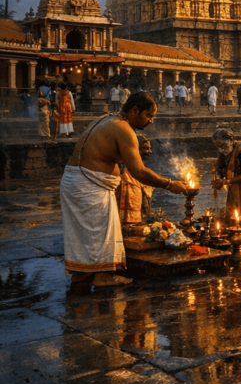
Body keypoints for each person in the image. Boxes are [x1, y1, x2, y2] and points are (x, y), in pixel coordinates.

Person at [60, 91, 187, 287]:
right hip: (88, 185)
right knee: (99, 233)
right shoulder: (124, 129)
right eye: (148, 115)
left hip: (77, 182)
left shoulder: (108, 118)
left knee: (85, 234)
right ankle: (102, 276)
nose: (151, 121)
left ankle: (82, 274)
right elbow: (138, 171)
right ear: (135, 110)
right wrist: (169, 184)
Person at [116, 134, 154, 224]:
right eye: (146, 148)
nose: (150, 151)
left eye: (149, 148)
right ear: (136, 148)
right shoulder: (125, 171)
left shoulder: (138, 167)